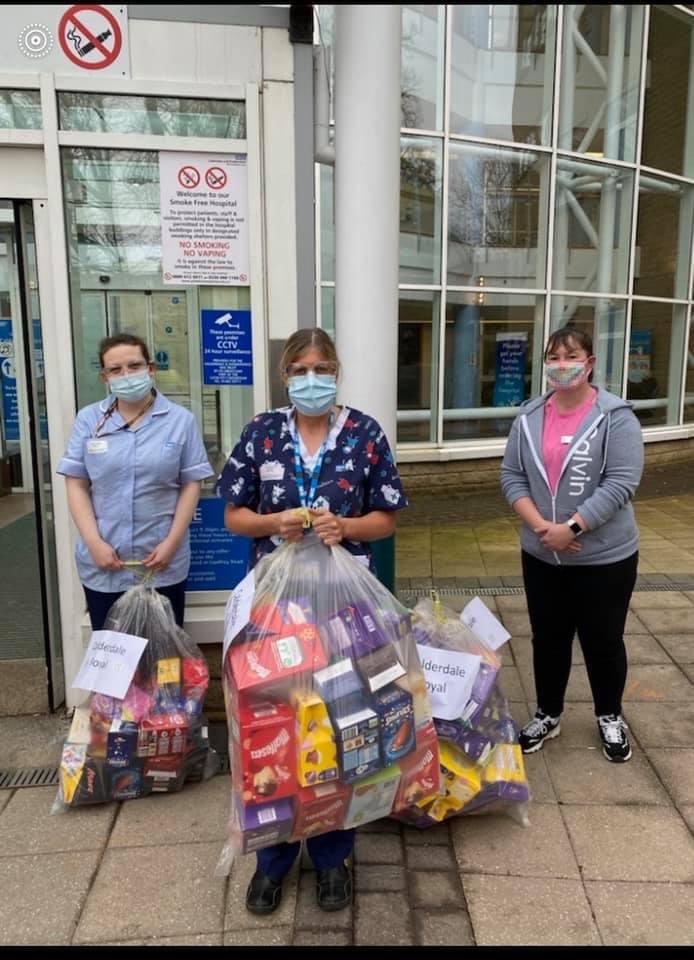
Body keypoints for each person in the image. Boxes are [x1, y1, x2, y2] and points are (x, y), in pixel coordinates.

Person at [217, 328, 407, 915]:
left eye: (321, 366)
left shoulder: (365, 433)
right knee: (272, 728)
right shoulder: (261, 433)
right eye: (300, 368)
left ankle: (332, 855)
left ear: (338, 371)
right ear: (284, 375)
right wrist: (274, 520)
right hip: (275, 609)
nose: (311, 378)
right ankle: (272, 858)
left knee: (341, 724)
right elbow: (233, 516)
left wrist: (346, 528)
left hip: (343, 614)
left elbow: (387, 518)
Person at [500, 326, 644, 764]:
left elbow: (622, 482)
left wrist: (573, 528)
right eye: (554, 357)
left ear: (590, 363)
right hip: (543, 554)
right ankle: (548, 713)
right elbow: (512, 476)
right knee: (548, 639)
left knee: (603, 640)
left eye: (572, 356)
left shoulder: (615, 417)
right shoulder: (527, 417)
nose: (562, 365)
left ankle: (609, 715)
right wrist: (545, 527)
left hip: (604, 557)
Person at [57, 332, 214, 630]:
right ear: (105, 378)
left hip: (161, 562)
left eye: (135, 366)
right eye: (116, 370)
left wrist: (171, 543)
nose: (126, 375)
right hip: (105, 563)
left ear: (151, 369)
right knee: (113, 659)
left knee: (164, 659)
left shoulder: (180, 420)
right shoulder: (89, 420)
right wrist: (94, 543)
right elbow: (76, 482)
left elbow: (191, 484)